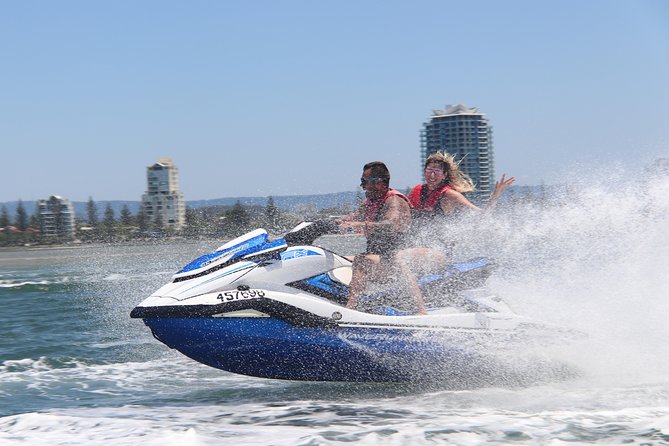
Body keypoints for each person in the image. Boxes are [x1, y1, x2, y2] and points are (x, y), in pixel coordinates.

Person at [395, 151, 515, 313]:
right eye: (429, 170)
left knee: (400, 257)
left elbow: (481, 216)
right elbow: (404, 221)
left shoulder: (450, 195)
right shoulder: (416, 191)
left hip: (438, 252)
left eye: (437, 171)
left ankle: (421, 310)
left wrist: (495, 196)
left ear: (444, 175)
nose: (432, 174)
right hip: (416, 250)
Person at [337, 161, 413, 312]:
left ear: (378, 182)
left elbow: (391, 225)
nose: (362, 186)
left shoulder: (394, 201)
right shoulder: (371, 201)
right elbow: (351, 217)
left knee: (361, 260)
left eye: (364, 181)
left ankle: (351, 308)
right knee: (338, 257)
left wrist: (359, 225)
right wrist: (328, 224)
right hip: (379, 258)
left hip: (395, 262)